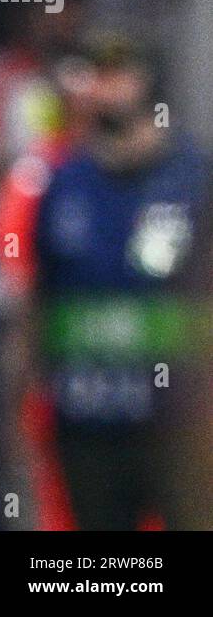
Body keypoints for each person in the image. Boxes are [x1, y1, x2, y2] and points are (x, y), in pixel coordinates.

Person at [28, 34, 212, 530]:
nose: (99, 90)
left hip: (179, 424)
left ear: (147, 82)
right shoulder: (63, 185)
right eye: (92, 75)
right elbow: (36, 304)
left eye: (115, 74)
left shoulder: (195, 181)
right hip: (86, 421)